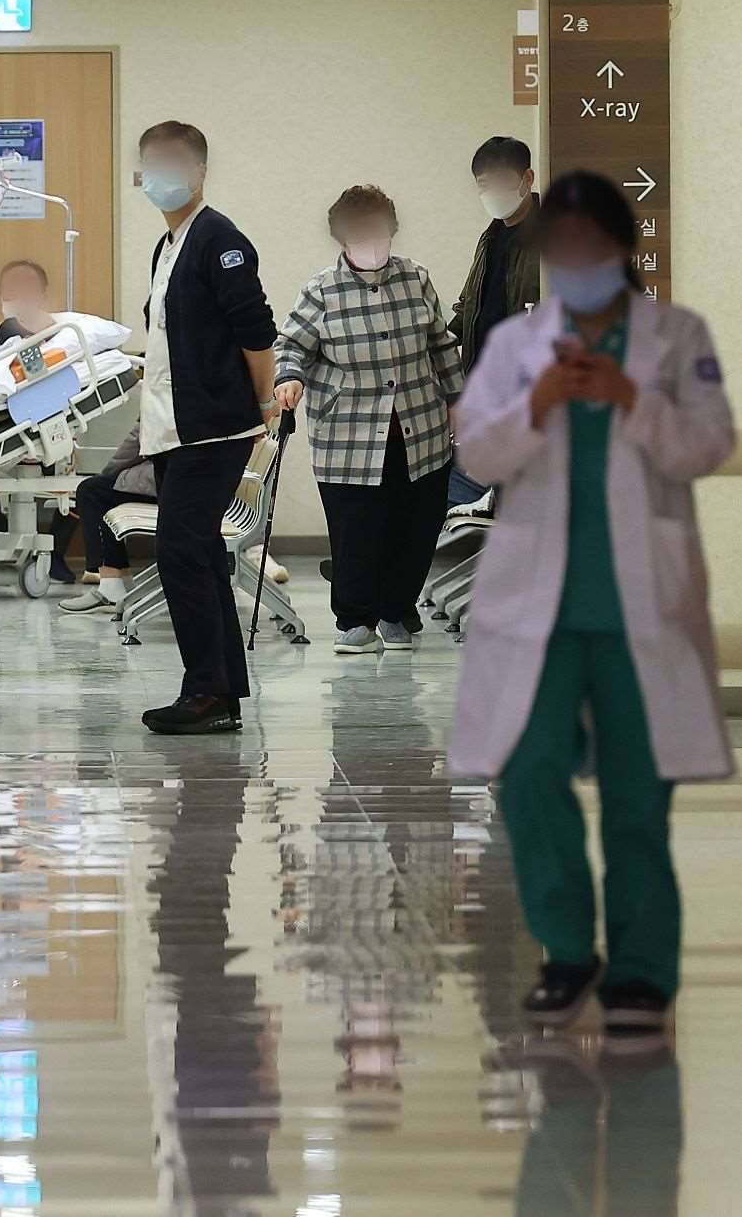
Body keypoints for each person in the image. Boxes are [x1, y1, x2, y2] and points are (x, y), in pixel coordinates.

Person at [448, 170, 734, 1054]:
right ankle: (567, 950)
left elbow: (709, 444)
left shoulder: (676, 336)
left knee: (638, 794)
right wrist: (537, 403)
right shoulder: (516, 344)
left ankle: (641, 972)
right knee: (529, 773)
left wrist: (630, 399)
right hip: (534, 608)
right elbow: (478, 452)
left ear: (619, 249)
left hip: (642, 604)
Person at [130, 121, 279, 735]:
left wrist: (263, 403)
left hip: (213, 427)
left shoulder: (220, 238)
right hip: (176, 425)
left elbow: (256, 330)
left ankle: (206, 692)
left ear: (200, 171)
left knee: (181, 552)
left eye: (173, 161)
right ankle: (221, 690)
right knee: (199, 554)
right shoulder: (169, 244)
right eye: (151, 163)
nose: (160, 174)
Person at [274, 185, 463, 654]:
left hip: (420, 428)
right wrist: (289, 378)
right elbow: (291, 346)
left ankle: (397, 611)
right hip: (349, 434)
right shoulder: (321, 290)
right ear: (341, 238)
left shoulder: (416, 278)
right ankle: (355, 621)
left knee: (417, 528)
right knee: (357, 532)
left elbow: (441, 344)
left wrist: (459, 400)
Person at [449, 135, 543, 507]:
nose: (492, 193)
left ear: (527, 179)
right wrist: (435, 342)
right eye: (484, 185)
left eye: (502, 181)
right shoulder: (490, 237)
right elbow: (470, 306)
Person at [56, 420, 158, 611]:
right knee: (103, 492)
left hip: (170, 482)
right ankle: (124, 584)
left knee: (92, 492)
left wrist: (107, 474)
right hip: (202, 484)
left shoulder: (162, 401)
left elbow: (137, 440)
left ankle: (110, 587)